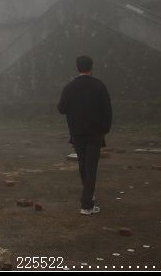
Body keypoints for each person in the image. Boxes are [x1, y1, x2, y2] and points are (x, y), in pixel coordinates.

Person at [57, 55, 112, 215]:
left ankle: (88, 195)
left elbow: (61, 109)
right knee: (91, 166)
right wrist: (104, 129)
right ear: (91, 67)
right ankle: (87, 204)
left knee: (83, 164)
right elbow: (107, 111)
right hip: (95, 133)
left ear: (77, 68)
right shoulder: (99, 86)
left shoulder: (70, 87)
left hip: (77, 132)